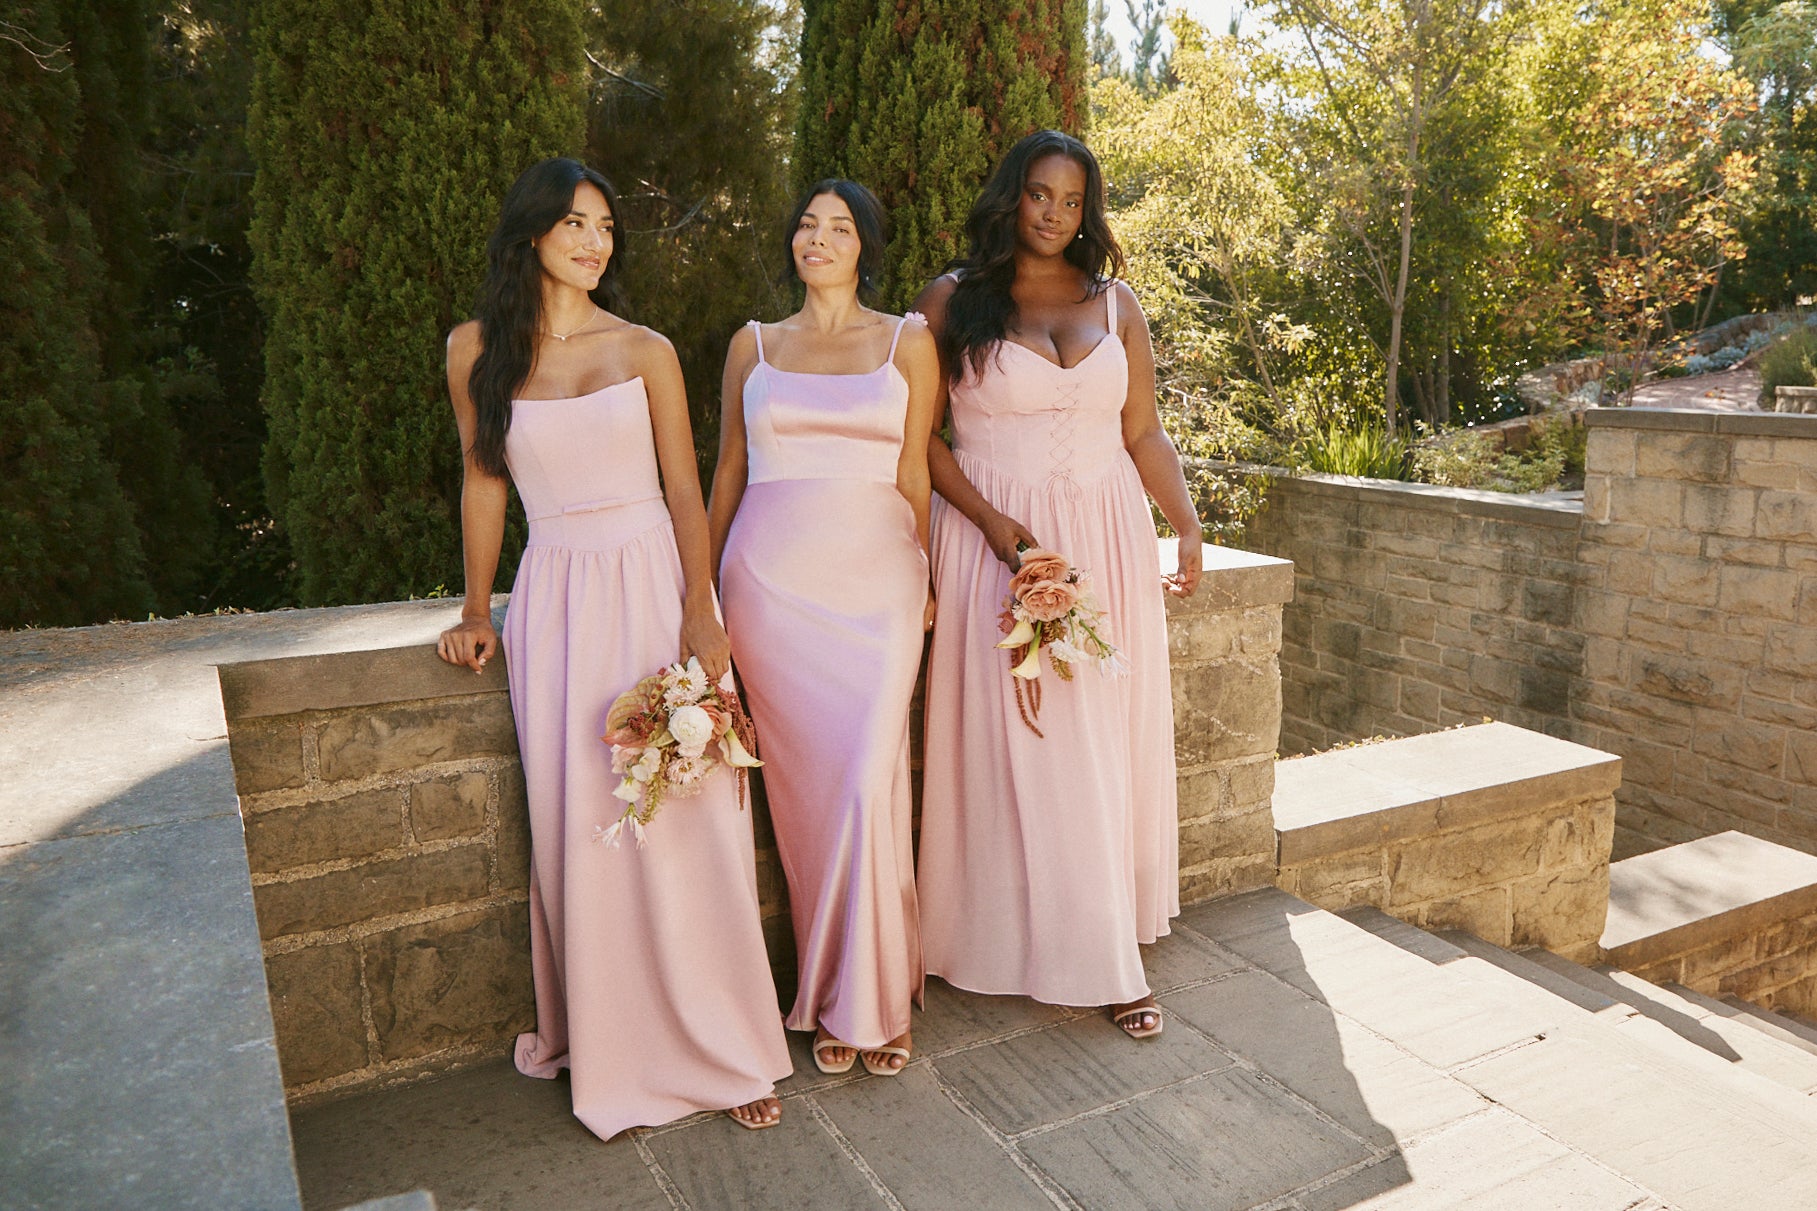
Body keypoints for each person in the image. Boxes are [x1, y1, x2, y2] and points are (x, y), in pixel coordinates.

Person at [435, 157, 791, 1137]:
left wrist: (700, 608)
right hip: (552, 600)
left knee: (689, 816)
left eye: (604, 227)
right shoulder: (475, 349)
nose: (595, 241)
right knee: (583, 824)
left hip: (647, 588)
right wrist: (476, 608)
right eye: (575, 224)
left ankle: (728, 1049)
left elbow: (684, 487)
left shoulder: (645, 349)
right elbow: (483, 484)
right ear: (532, 235)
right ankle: (615, 1046)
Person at [913, 130, 1203, 1039]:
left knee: (1096, 739)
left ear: (1089, 210)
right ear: (1012, 195)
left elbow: (1142, 431)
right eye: (1039, 194)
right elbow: (917, 438)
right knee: (1022, 742)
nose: (1054, 213)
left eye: (1072, 201)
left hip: (1107, 536)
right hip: (998, 536)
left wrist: (1187, 523)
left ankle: (1105, 943)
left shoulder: (1116, 303)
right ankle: (1019, 937)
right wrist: (993, 527)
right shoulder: (950, 300)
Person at [708, 179, 939, 1078]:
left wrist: (923, 574)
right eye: (806, 223)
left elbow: (913, 467)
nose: (818, 237)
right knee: (806, 805)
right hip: (768, 587)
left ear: (864, 246)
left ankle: (876, 992)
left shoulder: (908, 341)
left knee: (866, 784)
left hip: (878, 585)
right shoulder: (751, 347)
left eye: (838, 227)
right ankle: (840, 990)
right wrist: (706, 589)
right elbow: (727, 466)